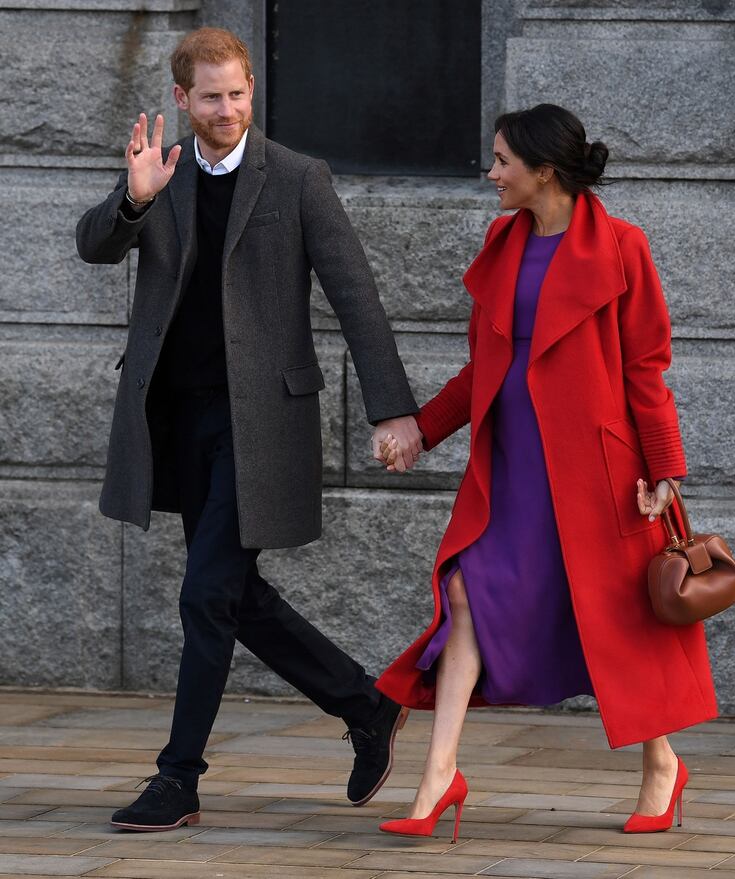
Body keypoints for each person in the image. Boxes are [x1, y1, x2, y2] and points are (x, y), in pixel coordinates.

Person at [76, 27, 421, 831]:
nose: (226, 109)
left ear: (251, 90)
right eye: (209, 97)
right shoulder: (161, 172)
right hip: (179, 420)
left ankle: (177, 777)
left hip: (260, 424)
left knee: (206, 592)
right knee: (235, 596)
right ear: (180, 100)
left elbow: (356, 295)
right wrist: (134, 198)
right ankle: (366, 706)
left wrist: (392, 408)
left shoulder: (299, 179)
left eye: (237, 94)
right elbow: (95, 245)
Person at [375, 104, 717, 842]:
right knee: (464, 592)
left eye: (502, 160)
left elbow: (647, 367)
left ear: (544, 171)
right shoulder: (503, 243)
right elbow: (483, 368)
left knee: (616, 618)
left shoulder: (623, 247)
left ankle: (662, 763)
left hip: (600, 472)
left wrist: (664, 468)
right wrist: (422, 429)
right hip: (512, 466)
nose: (491, 173)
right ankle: (439, 776)